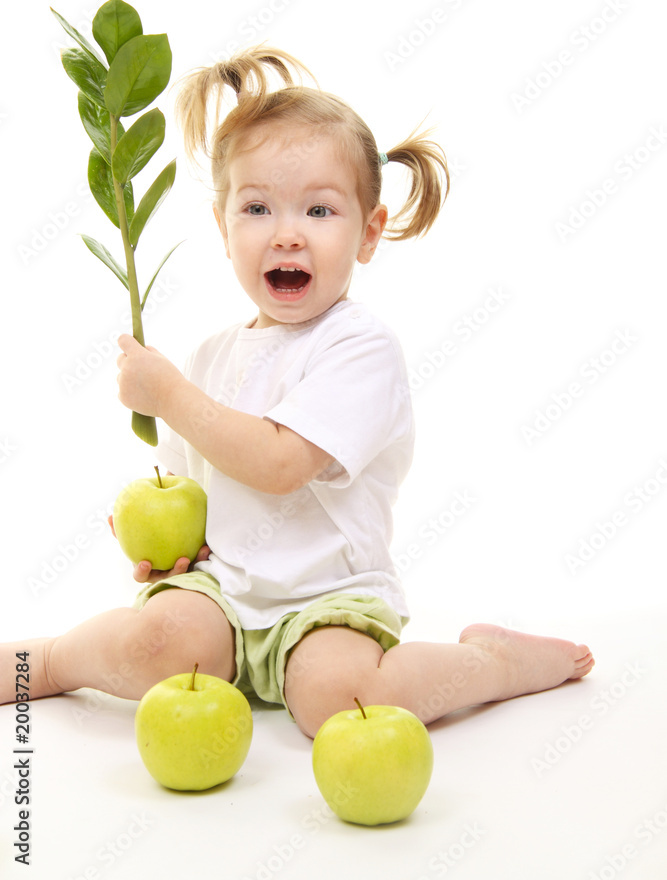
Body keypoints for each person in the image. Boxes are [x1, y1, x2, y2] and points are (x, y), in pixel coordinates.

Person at [1, 47, 594, 737]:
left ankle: (490, 664)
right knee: (157, 642)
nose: (286, 233)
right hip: (222, 593)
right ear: (224, 228)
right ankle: (44, 663)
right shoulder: (208, 357)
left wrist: (167, 396)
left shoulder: (358, 348)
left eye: (318, 210)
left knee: (337, 700)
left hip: (327, 599)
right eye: (257, 208)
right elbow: (197, 486)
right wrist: (168, 545)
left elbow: (280, 465)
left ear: (367, 233)